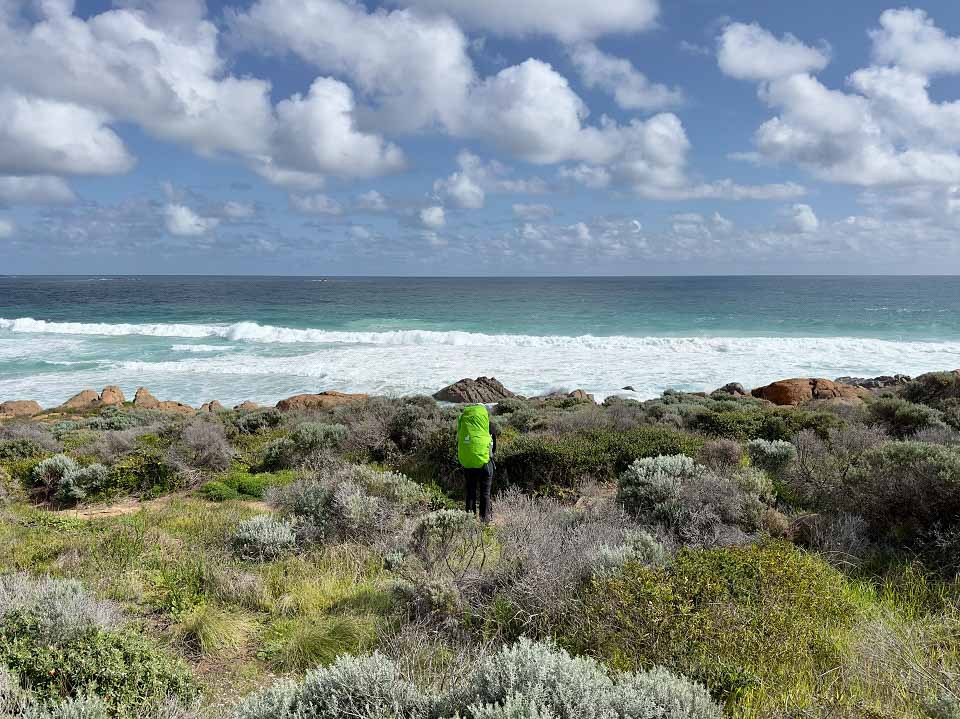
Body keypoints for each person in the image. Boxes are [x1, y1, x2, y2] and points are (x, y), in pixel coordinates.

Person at [457, 403, 498, 522]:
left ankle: (469, 521)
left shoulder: (465, 426)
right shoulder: (489, 426)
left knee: (470, 492)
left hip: (468, 463)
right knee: (485, 493)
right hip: (485, 463)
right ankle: (484, 522)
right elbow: (494, 447)